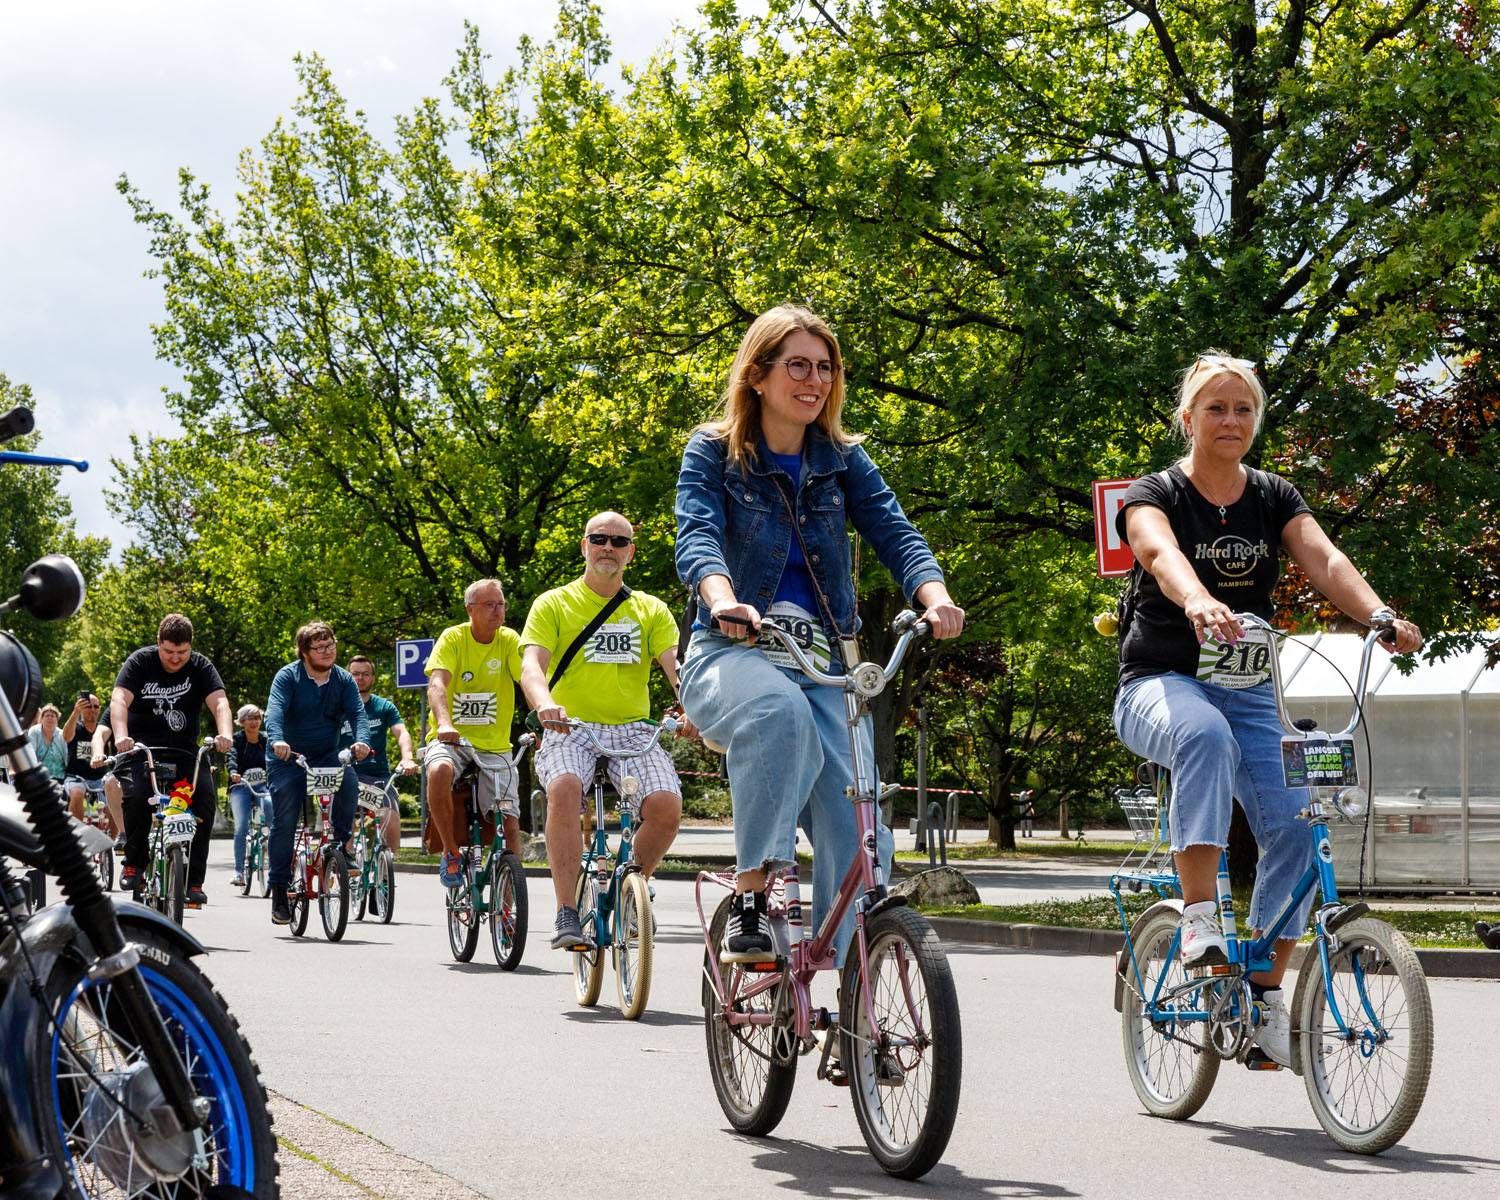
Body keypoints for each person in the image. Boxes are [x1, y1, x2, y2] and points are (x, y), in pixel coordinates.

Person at [1111, 351, 1423, 1069]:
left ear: (1256, 420)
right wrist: (1196, 600)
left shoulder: (1274, 495)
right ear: (1187, 418)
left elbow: (1325, 559)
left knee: (1297, 824)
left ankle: (1263, 992)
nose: (1230, 420)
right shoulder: (1154, 491)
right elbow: (1158, 553)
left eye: (1243, 409)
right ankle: (1196, 920)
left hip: (1249, 689)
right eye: (1215, 408)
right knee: (1204, 736)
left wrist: (1378, 614)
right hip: (1159, 685)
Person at [674, 304, 965, 966]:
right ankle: (755, 893)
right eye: (798, 366)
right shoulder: (714, 452)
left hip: (827, 660)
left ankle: (852, 973)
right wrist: (724, 601)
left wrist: (936, 596)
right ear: (757, 374)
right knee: (777, 714)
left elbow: (896, 532)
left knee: (853, 812)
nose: (815, 381)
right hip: (733, 649)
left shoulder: (843, 460)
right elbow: (697, 535)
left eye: (826, 368)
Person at [520, 512, 692, 952]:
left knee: (667, 807)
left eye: (618, 542)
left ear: (630, 552)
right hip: (569, 725)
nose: (608, 548)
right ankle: (567, 911)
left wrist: (693, 706)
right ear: (584, 546)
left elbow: (678, 669)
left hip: (634, 730)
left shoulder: (650, 609)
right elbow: (531, 667)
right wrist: (546, 705)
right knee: (564, 788)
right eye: (599, 539)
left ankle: (630, 887)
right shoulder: (553, 603)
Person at [98, 614, 234, 904]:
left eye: (182, 652)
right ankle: (135, 862)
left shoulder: (201, 666)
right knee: (136, 797)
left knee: (205, 800)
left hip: (183, 750)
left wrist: (225, 733)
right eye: (169, 651)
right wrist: (121, 737)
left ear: (191, 647)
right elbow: (119, 701)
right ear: (158, 643)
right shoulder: (139, 662)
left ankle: (194, 882)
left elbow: (220, 702)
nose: (175, 658)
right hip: (139, 750)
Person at [264, 621, 370, 926]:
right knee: (285, 820)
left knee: (349, 779)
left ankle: (340, 844)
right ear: (303, 652)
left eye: (331, 645)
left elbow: (357, 714)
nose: (327, 651)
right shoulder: (288, 676)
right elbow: (275, 712)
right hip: (288, 758)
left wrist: (361, 740)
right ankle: (280, 890)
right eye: (319, 647)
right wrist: (277, 740)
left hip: (326, 754)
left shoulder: (344, 680)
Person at [424, 580, 524, 887]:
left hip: (494, 746)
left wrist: (546, 718)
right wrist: (444, 724)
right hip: (453, 740)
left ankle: (509, 905)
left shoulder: (508, 640)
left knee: (508, 823)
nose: (498, 610)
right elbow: (437, 684)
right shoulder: (453, 638)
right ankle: (451, 852)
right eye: (490, 604)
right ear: (470, 609)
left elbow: (529, 680)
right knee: (439, 770)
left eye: (501, 604)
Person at [342, 654, 417, 852]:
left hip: (377, 776)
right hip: (346, 775)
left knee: (390, 819)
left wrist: (407, 757)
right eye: (355, 674)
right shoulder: (337, 707)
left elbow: (401, 732)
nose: (360, 678)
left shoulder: (384, 707)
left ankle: (387, 872)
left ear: (373, 678)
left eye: (365, 674)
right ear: (348, 677)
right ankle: (347, 868)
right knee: (343, 819)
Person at [62, 690, 121, 833]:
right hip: (76, 777)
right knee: (77, 793)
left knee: (115, 807)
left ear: (99, 709)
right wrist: (75, 713)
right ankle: (76, 836)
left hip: (100, 778)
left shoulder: (104, 730)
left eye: (95, 706)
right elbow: (66, 737)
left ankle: (109, 847)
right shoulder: (76, 727)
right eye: (88, 706)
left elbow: (116, 751)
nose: (92, 710)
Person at [226, 704, 272, 888]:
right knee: (241, 827)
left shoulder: (266, 739)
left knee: (270, 803)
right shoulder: (236, 739)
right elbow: (231, 757)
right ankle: (238, 871)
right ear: (242, 721)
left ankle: (270, 838)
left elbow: (273, 759)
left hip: (262, 785)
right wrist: (233, 772)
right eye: (250, 718)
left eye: (257, 718)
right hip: (241, 786)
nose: (254, 722)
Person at [27, 703, 68, 788]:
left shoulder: (61, 734)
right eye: (47, 716)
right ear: (41, 719)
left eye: (53, 716)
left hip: (59, 778)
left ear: (57, 720)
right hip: (39, 777)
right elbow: (30, 752)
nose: (50, 718)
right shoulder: (34, 732)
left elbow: (67, 755)